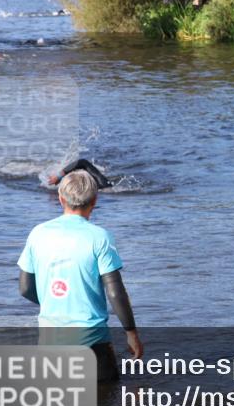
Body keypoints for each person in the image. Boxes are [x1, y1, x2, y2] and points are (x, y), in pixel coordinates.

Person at [18, 170, 143, 382]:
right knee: (105, 403)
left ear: (60, 198)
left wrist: (55, 302)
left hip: (50, 340)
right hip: (92, 340)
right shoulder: (99, 237)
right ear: (94, 200)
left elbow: (25, 288)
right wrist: (131, 333)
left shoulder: (38, 233)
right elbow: (115, 291)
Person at [48, 158, 112, 190]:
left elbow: (82, 162)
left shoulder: (103, 186)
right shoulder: (101, 184)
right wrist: (59, 177)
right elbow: (82, 162)